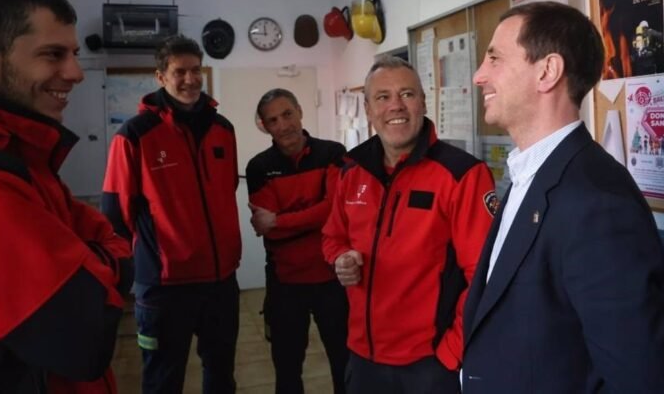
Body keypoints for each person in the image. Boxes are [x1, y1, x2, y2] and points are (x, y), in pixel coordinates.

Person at [462, 1, 664, 393]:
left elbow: (638, 376)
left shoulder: (596, 202)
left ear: (547, 72)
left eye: (495, 58)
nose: (478, 75)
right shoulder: (530, 175)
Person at [0, 0, 133, 393]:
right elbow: (85, 335)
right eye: (53, 55)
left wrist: (93, 255)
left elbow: (93, 231)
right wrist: (112, 257)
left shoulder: (19, 150)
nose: (76, 73)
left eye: (75, 54)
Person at [322, 55, 495, 394]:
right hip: (363, 358)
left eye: (407, 94)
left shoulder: (462, 175)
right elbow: (332, 236)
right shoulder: (350, 171)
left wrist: (451, 351)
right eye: (382, 97)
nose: (395, 106)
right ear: (369, 110)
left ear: (423, 102)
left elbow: (485, 275)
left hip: (429, 366)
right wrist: (340, 257)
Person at [102, 36, 241, 393]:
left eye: (196, 70)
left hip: (221, 282)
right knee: (164, 381)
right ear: (161, 76)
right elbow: (117, 212)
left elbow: (225, 192)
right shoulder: (134, 135)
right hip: (165, 288)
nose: (191, 79)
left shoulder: (222, 129)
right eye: (180, 72)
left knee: (222, 376)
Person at [246, 89, 349, 394]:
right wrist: (310, 216)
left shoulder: (332, 152)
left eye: (287, 114)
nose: (283, 125)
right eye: (273, 120)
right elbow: (267, 229)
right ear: (265, 126)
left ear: (300, 111)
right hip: (285, 284)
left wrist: (281, 219)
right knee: (287, 370)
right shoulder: (259, 167)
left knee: (344, 364)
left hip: (332, 278)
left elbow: (335, 209)